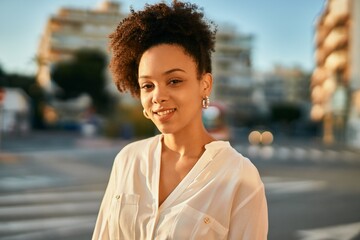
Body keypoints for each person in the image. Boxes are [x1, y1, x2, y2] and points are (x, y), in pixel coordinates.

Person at [92, 1, 268, 239]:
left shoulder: (240, 177)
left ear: (204, 85)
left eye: (174, 81)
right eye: (147, 85)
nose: (158, 96)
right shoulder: (128, 160)